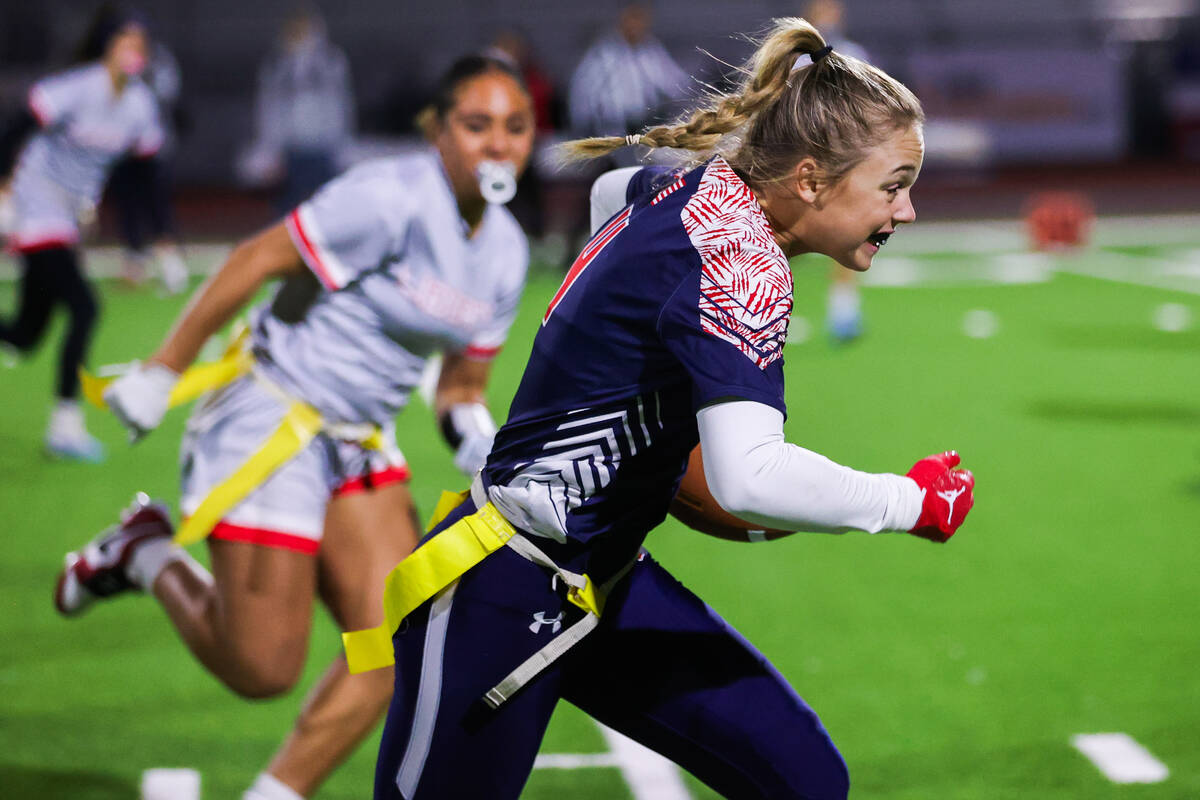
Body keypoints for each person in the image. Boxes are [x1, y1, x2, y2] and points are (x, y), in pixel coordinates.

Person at [356, 17, 976, 800]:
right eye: (894, 185)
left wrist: (640, 421)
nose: (908, 210)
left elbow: (611, 190)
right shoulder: (742, 263)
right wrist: (910, 501)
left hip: (607, 581)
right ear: (812, 180)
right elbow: (750, 479)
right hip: (500, 594)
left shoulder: (695, 184)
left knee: (807, 782)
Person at [53, 54, 536, 800]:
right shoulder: (388, 197)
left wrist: (474, 432)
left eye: (515, 127)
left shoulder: (505, 251)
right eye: (476, 126)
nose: (497, 144)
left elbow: (460, 383)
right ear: (439, 132)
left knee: (395, 644)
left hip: (360, 436)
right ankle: (144, 551)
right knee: (261, 669)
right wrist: (163, 369)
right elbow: (256, 258)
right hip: (271, 408)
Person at [0, 5, 164, 462]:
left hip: (67, 220)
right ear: (107, 44)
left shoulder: (139, 106)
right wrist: (3, 186)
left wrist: (150, 241)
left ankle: (64, 425)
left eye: (141, 45)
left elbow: (143, 181)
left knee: (24, 334)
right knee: (85, 307)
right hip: (35, 207)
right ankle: (65, 427)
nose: (135, 52)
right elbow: (15, 128)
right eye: (127, 41)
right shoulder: (78, 87)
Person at [246, 4, 355, 213]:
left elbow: (342, 106)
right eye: (293, 29)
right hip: (290, 150)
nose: (297, 34)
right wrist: (268, 150)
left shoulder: (331, 61)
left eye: (303, 28)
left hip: (323, 148)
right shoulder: (276, 65)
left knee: (324, 210)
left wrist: (343, 146)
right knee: (288, 215)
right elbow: (267, 110)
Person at [107, 35, 189, 293]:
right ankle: (135, 267)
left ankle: (172, 268)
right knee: (128, 209)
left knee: (157, 210)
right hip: (124, 151)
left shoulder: (155, 65)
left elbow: (163, 99)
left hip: (150, 151)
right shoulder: (114, 68)